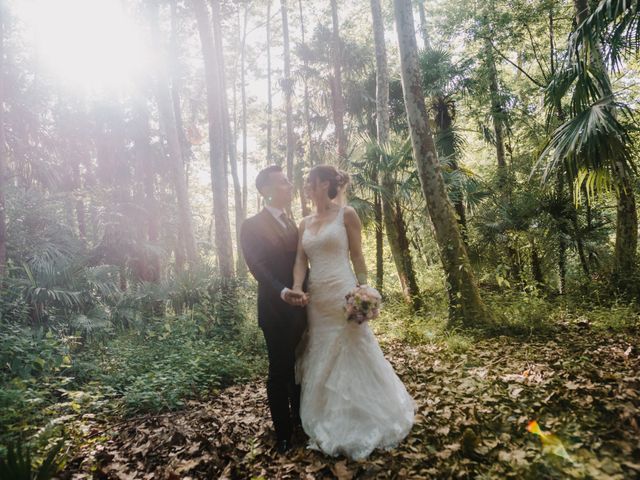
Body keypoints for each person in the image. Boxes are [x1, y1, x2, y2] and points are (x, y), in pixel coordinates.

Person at [290, 164, 415, 460]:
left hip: (343, 292)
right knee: (322, 351)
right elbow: (299, 259)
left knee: (353, 349)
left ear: (324, 184)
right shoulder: (304, 222)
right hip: (317, 299)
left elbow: (357, 254)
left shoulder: (346, 214)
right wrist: (297, 286)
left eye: (310, 181)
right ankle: (328, 418)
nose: (306, 186)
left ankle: (364, 416)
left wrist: (365, 289)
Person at [239, 165, 307, 454]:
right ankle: (283, 434)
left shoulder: (294, 224)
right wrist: (283, 291)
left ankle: (301, 422)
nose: (289, 186)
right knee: (279, 370)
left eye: (288, 181)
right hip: (275, 310)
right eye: (282, 183)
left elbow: (303, 263)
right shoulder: (251, 225)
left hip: (303, 308)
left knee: (300, 368)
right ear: (265, 190)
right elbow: (258, 267)